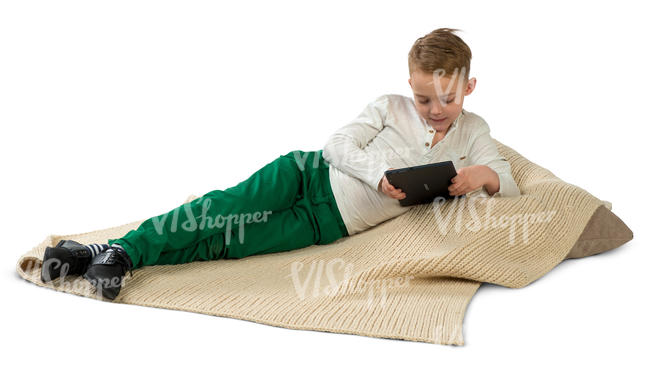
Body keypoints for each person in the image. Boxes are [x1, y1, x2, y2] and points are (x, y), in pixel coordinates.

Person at [40, 27, 520, 300]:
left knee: (226, 245)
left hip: (324, 223)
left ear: (470, 87)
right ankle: (124, 251)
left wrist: (484, 176)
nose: (435, 110)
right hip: (303, 176)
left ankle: (90, 255)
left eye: (448, 98)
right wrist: (379, 174)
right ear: (408, 84)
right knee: (215, 213)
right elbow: (337, 145)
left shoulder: (474, 131)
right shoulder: (388, 106)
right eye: (423, 98)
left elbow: (511, 185)